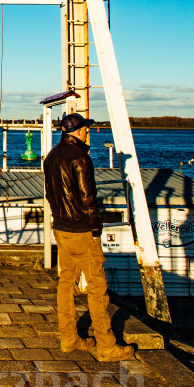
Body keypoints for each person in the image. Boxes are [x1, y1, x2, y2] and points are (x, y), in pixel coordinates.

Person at [43, 112, 135, 361]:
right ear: (79, 130)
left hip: (61, 227)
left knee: (66, 283)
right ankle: (106, 345)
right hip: (82, 230)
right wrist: (96, 229)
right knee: (97, 288)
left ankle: (69, 338)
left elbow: (51, 194)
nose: (88, 132)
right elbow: (88, 198)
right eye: (86, 128)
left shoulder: (51, 156)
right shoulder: (81, 158)